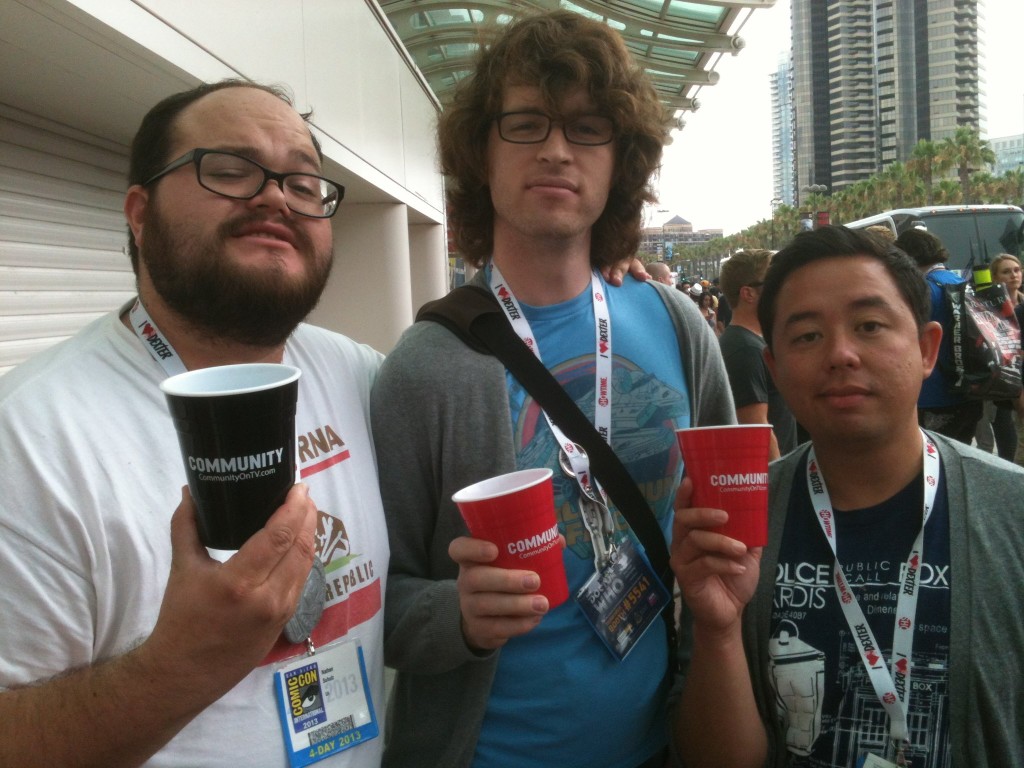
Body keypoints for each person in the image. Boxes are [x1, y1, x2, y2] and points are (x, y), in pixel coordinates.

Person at [371, 11, 735, 768]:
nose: (557, 151)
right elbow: (376, 602)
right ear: (482, 152)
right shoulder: (425, 366)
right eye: (526, 124)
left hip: (662, 746)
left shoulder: (675, 325)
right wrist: (456, 615)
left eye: (588, 128)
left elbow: (730, 531)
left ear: (621, 158)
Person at [0, 80, 389, 766]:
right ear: (139, 213)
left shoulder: (356, 373)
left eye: (303, 182)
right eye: (230, 171)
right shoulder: (29, 437)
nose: (274, 196)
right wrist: (179, 667)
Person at [672, 225, 1024, 767]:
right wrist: (719, 631)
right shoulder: (736, 529)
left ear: (928, 349)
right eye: (808, 336)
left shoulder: (1011, 511)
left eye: (870, 325)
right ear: (775, 370)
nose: (841, 354)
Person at [893, 227, 983, 444]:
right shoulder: (964, 283)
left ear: (907, 257)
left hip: (932, 394)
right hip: (970, 392)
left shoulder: (922, 290)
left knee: (932, 462)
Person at [717, 248, 797, 459]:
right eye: (773, 282)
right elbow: (758, 431)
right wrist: (781, 482)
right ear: (748, 293)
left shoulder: (751, 341)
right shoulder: (746, 350)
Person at [973, 252, 1022, 460]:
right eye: (1006, 272)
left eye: (1017, 270)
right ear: (994, 278)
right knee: (1005, 439)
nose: (1013, 275)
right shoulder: (986, 308)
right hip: (1000, 384)